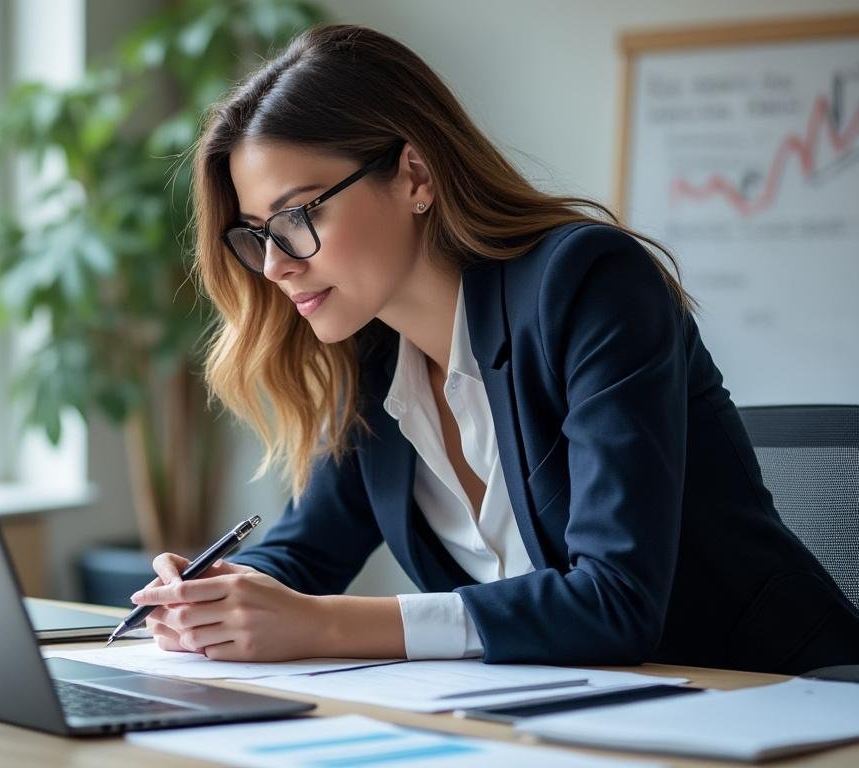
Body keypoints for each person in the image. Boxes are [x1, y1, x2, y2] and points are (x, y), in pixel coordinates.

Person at [128, 24, 859, 675]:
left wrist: (322, 623)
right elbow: (303, 551)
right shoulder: (370, 353)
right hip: (589, 711)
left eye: (295, 215)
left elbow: (616, 601)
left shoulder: (588, 285)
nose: (277, 264)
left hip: (777, 697)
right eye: (257, 234)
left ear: (415, 175)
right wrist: (212, 593)